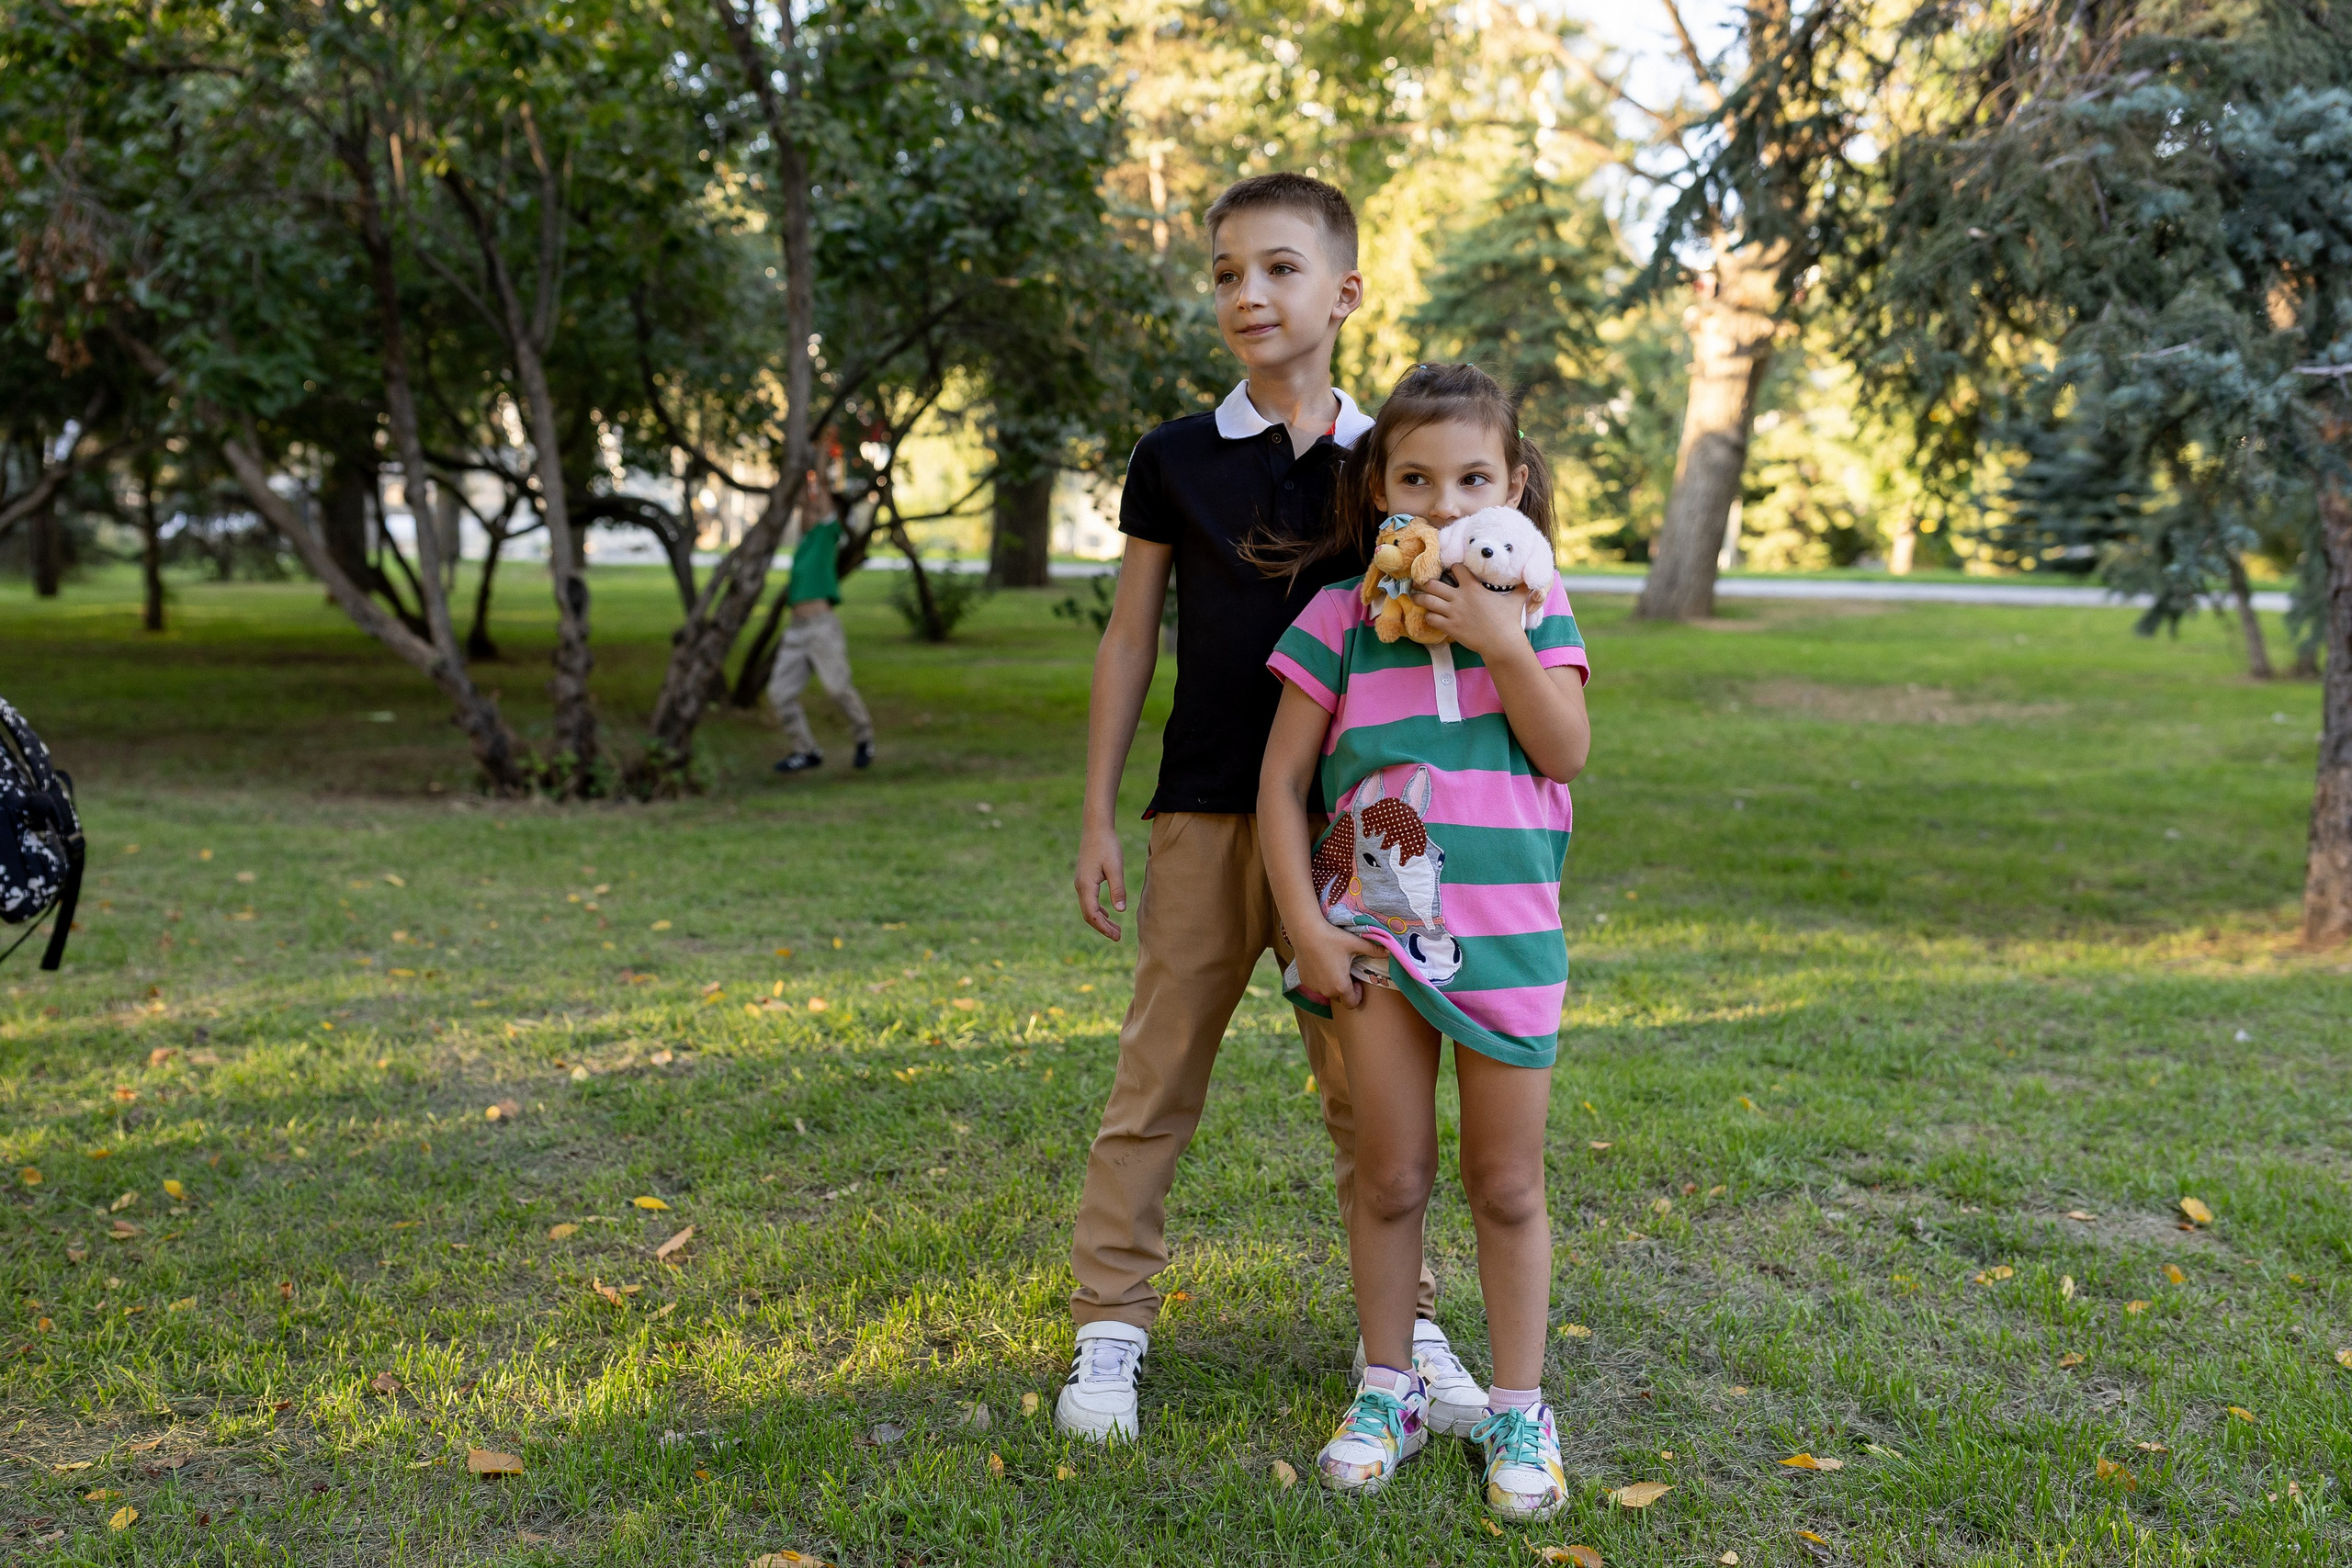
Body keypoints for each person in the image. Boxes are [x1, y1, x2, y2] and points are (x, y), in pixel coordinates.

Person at [1057, 174, 1473, 1444]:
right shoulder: (1174, 457)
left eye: (1281, 268)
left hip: (1359, 830)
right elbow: (1131, 641)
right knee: (1156, 1075)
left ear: (1344, 290)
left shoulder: (1387, 461)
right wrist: (1096, 815)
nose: (1251, 292)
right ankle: (1109, 1326)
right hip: (1201, 810)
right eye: (1231, 271)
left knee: (1375, 1089)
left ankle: (1401, 1337)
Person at [1258, 363, 1592, 1519]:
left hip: (1507, 943)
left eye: (1471, 479)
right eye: (1416, 479)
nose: (1445, 506)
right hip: (1373, 940)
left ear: (1512, 486)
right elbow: (1283, 781)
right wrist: (1304, 926)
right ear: (1380, 490)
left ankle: (1517, 1408)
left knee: (1505, 1184)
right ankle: (1388, 1387)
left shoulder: (1537, 607)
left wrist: (1500, 638)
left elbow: (1567, 754)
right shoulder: (1341, 616)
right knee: (1390, 1175)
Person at [769, 476, 875, 774]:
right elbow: (807, 499)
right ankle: (806, 751)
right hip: (796, 631)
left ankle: (864, 738)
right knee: (780, 693)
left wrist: (820, 457)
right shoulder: (805, 544)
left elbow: (822, 496)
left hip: (821, 627)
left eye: (816, 510)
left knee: (837, 688)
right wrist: (803, 465)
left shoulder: (830, 534)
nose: (809, 511)